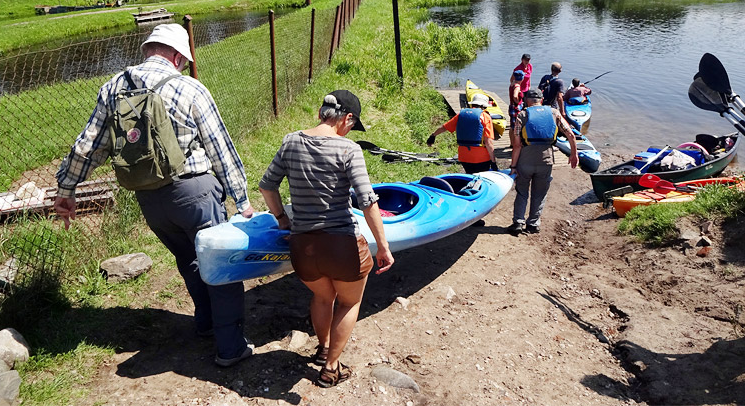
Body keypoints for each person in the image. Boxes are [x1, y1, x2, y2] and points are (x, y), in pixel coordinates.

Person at [54, 23, 255, 367]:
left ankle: (205, 323)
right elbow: (220, 148)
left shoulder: (114, 88)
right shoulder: (189, 88)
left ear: (148, 50)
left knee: (189, 259)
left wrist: (66, 189)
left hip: (149, 198)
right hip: (195, 193)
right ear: (178, 56)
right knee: (220, 264)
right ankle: (231, 348)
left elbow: (89, 146)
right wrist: (242, 199)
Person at [259, 90, 394, 388]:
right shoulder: (348, 150)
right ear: (346, 118)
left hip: (303, 247)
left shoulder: (291, 141)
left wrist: (283, 219)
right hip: (342, 246)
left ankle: (322, 349)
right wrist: (383, 246)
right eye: (352, 125)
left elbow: (267, 186)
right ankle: (331, 367)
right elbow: (367, 200)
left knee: (322, 296)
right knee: (349, 302)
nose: (350, 132)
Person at [508, 88, 577, 235]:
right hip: (546, 160)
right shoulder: (554, 112)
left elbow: (517, 145)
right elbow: (570, 134)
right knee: (539, 193)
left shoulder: (523, 114)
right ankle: (533, 224)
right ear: (542, 100)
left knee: (522, 192)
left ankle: (518, 223)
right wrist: (574, 154)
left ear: (527, 100)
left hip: (525, 160)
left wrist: (513, 166)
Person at [426, 93, 498, 173]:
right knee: (480, 180)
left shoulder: (461, 115)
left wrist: (433, 136)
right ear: (484, 106)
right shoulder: (485, 117)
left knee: (470, 176)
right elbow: (488, 142)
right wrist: (493, 161)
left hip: (464, 156)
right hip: (481, 158)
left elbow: (444, 128)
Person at [508, 69, 525, 146]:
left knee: (512, 126)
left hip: (511, 106)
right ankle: (515, 144)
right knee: (516, 126)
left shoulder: (512, 84)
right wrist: (517, 102)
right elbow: (515, 96)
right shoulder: (517, 86)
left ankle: (511, 143)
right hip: (515, 107)